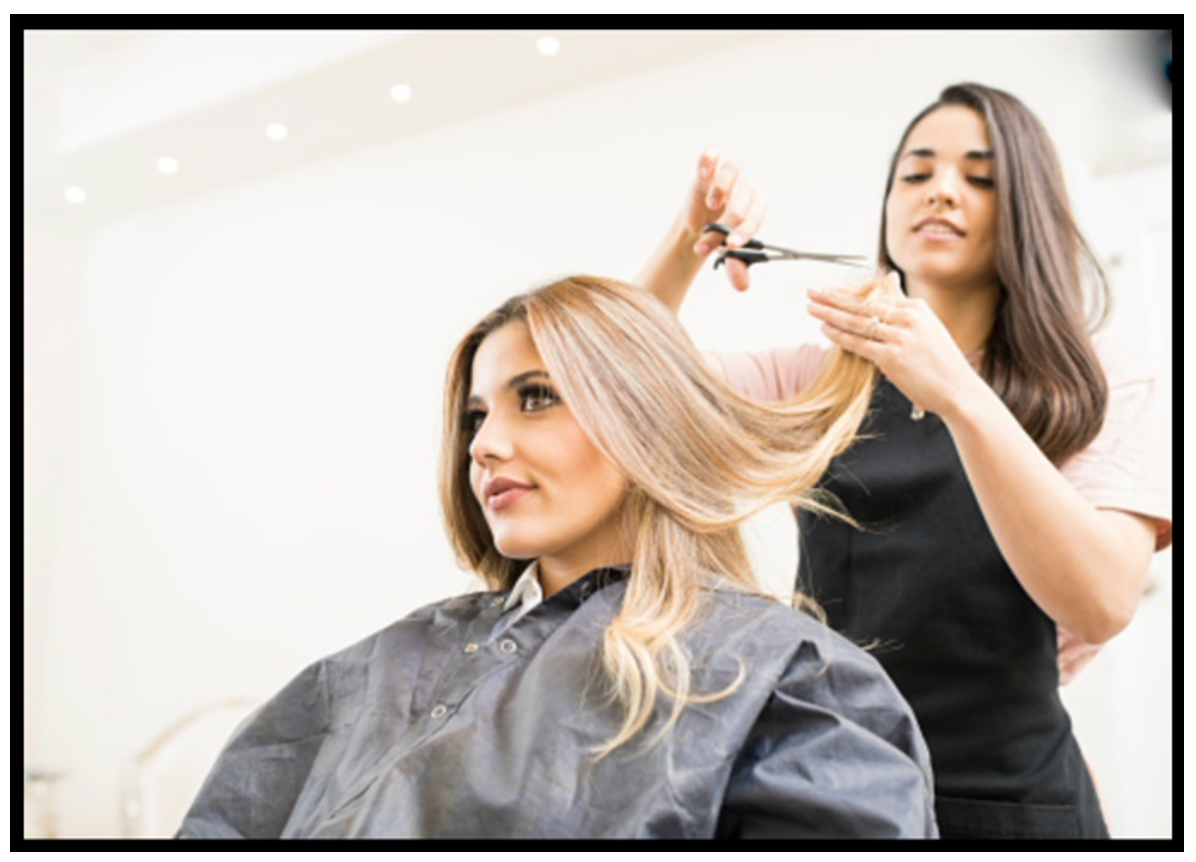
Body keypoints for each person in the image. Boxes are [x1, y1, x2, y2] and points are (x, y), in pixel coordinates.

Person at [177, 275, 938, 839]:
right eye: (476, 417)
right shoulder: (382, 663)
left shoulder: (785, 678)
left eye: (535, 397)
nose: (483, 445)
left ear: (645, 417)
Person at [637, 83, 1172, 839]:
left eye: (980, 177)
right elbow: (616, 381)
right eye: (916, 173)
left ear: (1031, 212)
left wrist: (960, 394)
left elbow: (1102, 603)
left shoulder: (1103, 380)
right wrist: (686, 242)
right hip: (838, 792)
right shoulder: (820, 380)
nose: (940, 191)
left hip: (1019, 805)